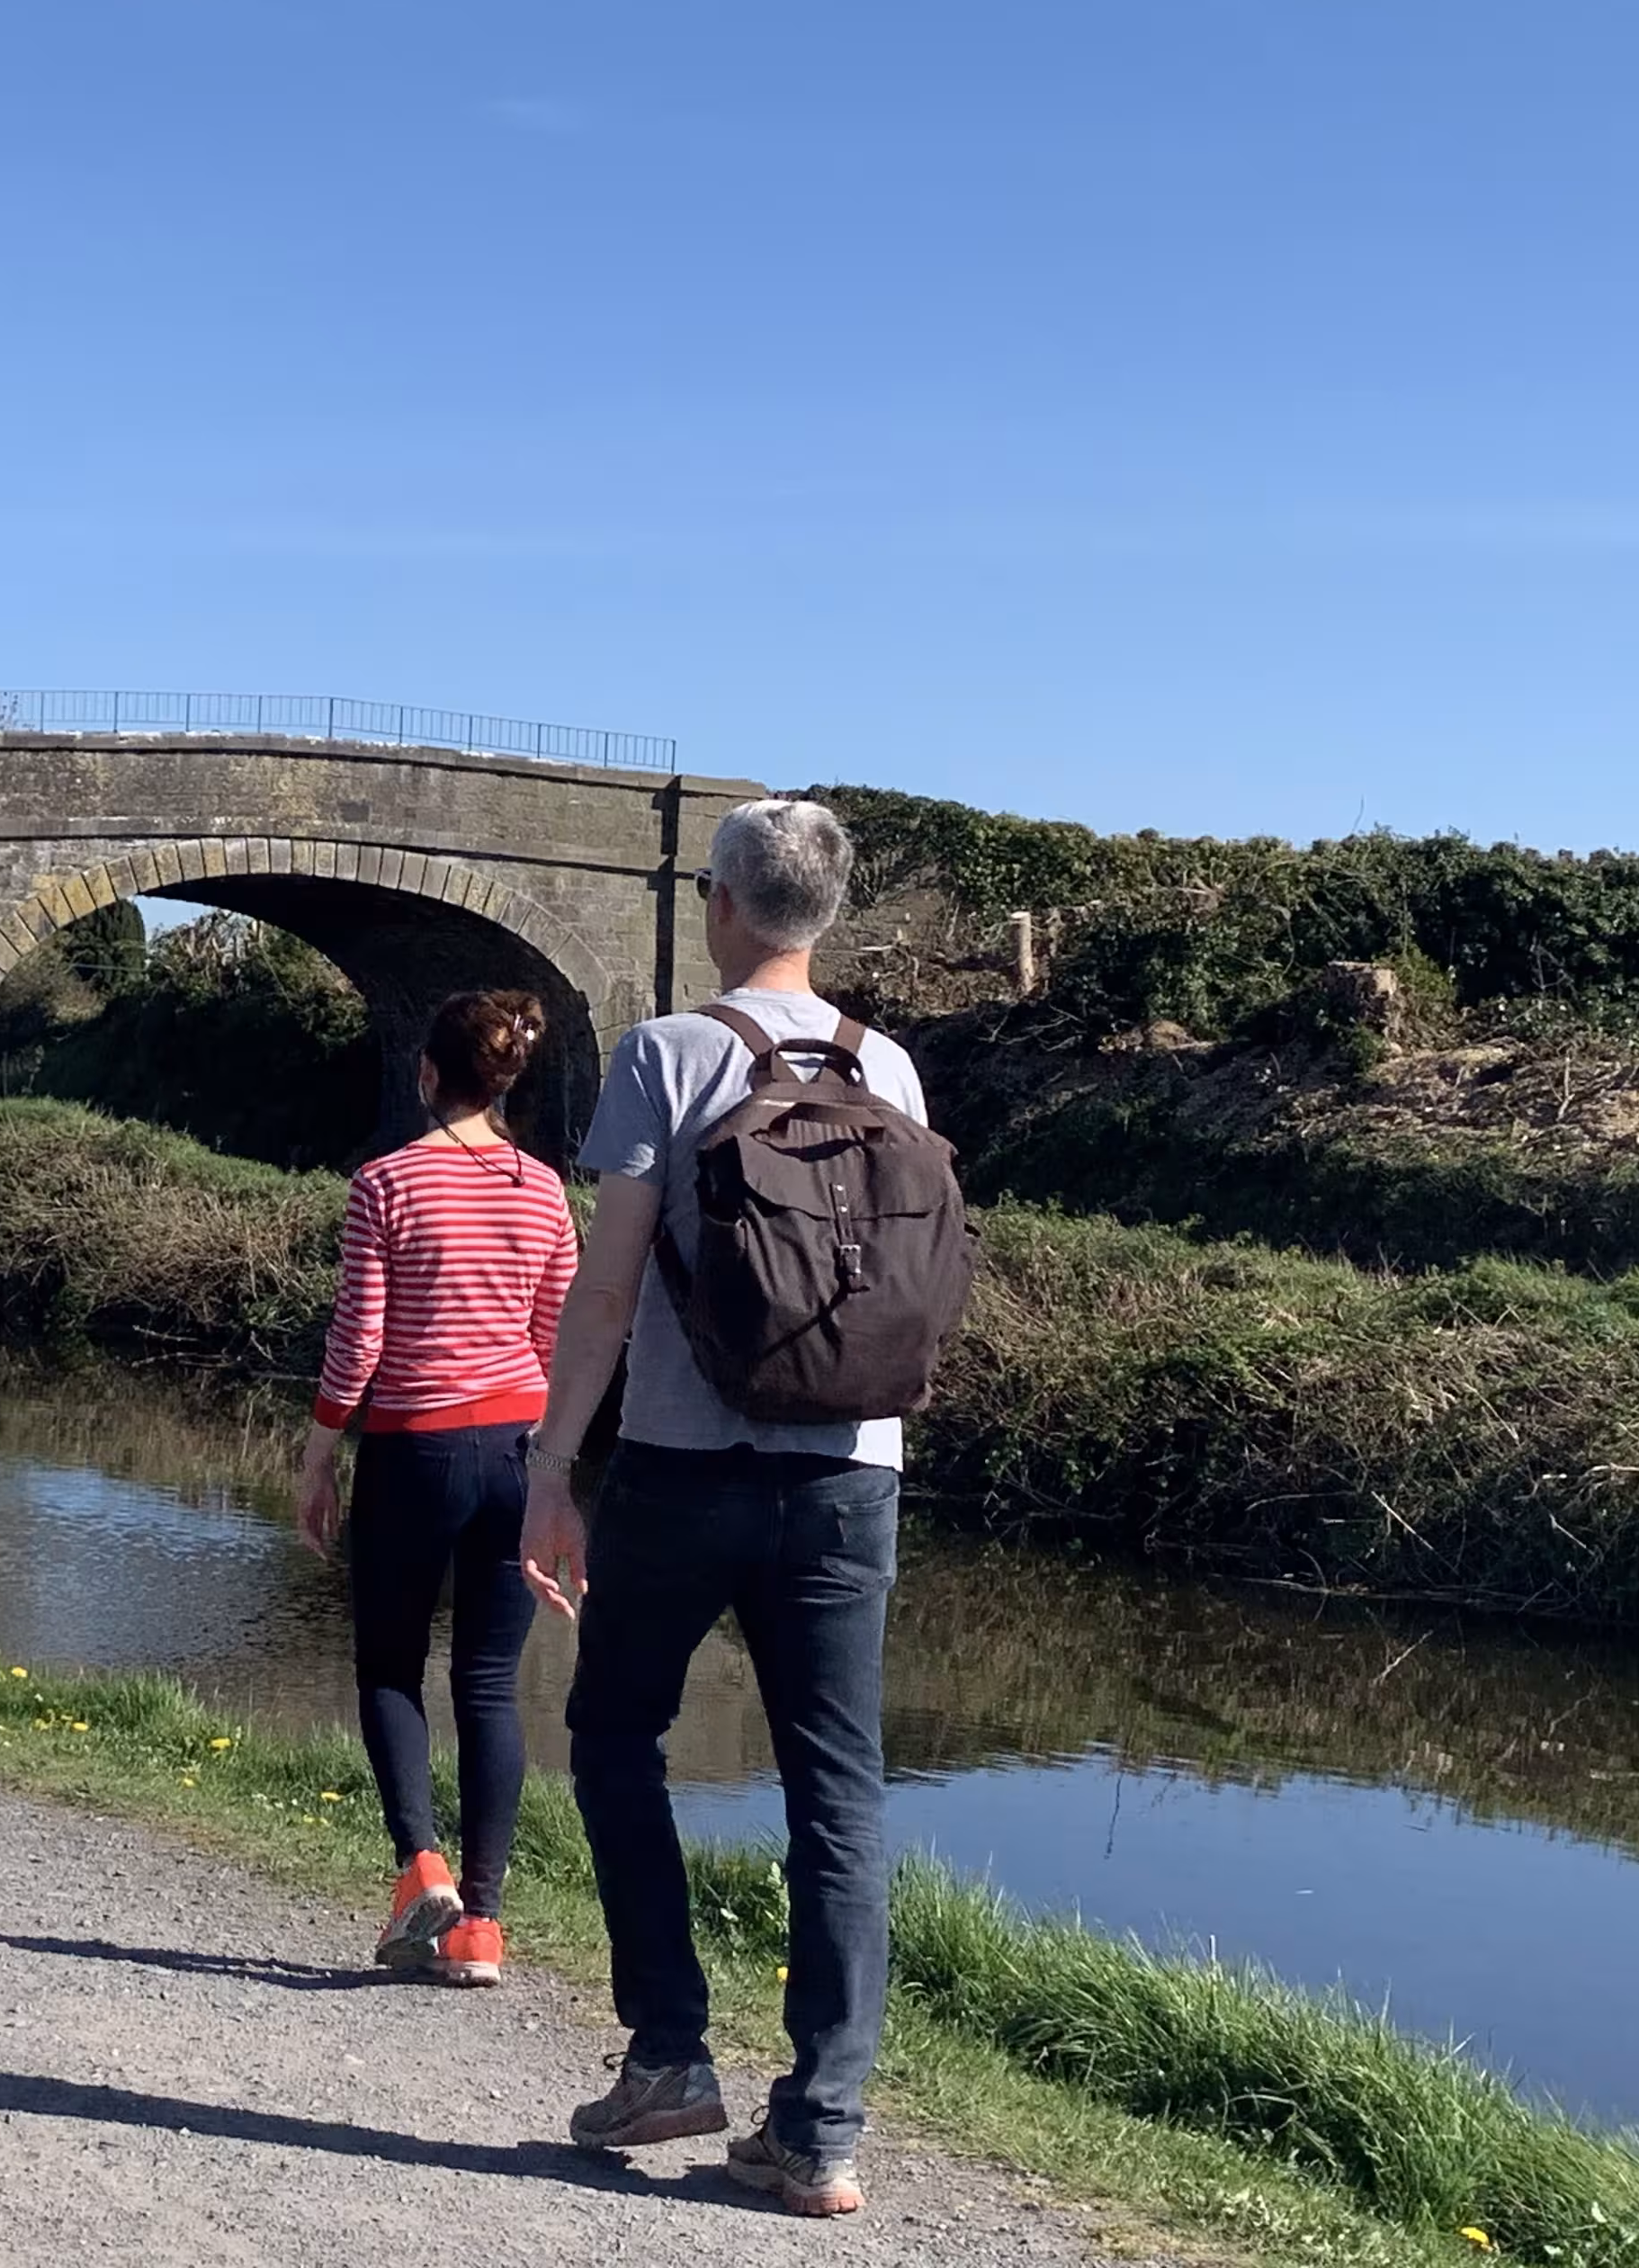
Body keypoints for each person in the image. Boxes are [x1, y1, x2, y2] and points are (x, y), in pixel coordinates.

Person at [521, 797, 926, 2216]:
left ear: (726, 905)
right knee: (839, 1787)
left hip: (688, 1469)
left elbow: (610, 1285)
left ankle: (670, 2055)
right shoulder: (893, 1066)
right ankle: (819, 2130)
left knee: (615, 1732)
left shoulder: (666, 1054)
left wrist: (551, 1461)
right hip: (850, 1473)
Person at [294, 988, 579, 1989]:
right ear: (506, 1079)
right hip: (515, 1449)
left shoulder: (387, 1183)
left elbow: (361, 1338)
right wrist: (559, 1469)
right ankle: (484, 1927)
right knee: (492, 1683)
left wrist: (322, 1450)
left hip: (414, 1449)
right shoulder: (545, 1191)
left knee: (389, 1665)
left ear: (427, 1075)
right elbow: (557, 1337)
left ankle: (421, 1869)